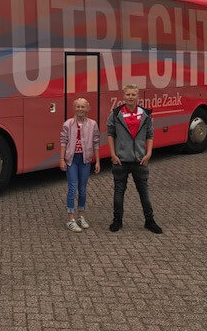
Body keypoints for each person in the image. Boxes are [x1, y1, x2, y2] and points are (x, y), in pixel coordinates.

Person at [106, 84, 163, 234]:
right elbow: (110, 134)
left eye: (133, 95)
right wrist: (113, 154)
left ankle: (149, 221)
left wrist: (149, 153)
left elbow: (150, 135)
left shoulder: (145, 114)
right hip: (120, 160)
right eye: (128, 95)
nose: (130, 97)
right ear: (123, 96)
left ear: (137, 97)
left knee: (144, 192)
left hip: (140, 160)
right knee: (119, 192)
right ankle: (117, 220)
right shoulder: (115, 114)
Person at [59, 97, 101, 232]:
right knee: (72, 188)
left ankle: (80, 216)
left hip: (85, 160)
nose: (80, 109)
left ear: (88, 108)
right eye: (78, 106)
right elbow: (63, 141)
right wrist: (61, 159)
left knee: (82, 189)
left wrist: (98, 161)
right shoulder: (68, 124)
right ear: (74, 108)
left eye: (83, 107)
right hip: (72, 159)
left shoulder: (93, 124)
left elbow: (96, 142)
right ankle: (70, 218)